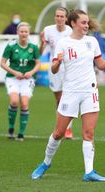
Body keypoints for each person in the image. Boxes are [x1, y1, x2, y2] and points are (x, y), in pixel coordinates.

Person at [31, 9, 105, 181]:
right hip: (71, 92)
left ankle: (89, 172)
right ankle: (46, 162)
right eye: (83, 22)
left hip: (90, 91)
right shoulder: (63, 43)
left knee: (88, 133)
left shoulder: (92, 41)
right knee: (58, 133)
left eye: (87, 22)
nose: (86, 25)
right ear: (73, 23)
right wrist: (57, 63)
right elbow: (54, 68)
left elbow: (101, 64)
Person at [0, 22, 41, 141]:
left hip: (27, 79)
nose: (23, 34)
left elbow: (38, 63)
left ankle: (21, 133)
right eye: (21, 31)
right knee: (14, 101)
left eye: (26, 32)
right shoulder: (11, 46)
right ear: (17, 32)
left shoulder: (33, 47)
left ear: (28, 33)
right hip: (13, 78)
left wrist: (31, 72)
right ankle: (11, 128)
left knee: (24, 103)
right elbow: (2, 63)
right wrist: (14, 72)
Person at [39, 7, 74, 139]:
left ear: (66, 18)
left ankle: (68, 129)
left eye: (61, 16)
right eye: (57, 16)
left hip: (69, 69)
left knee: (68, 98)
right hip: (54, 68)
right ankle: (61, 127)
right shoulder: (48, 30)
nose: (59, 18)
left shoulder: (70, 31)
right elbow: (40, 52)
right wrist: (42, 43)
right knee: (59, 100)